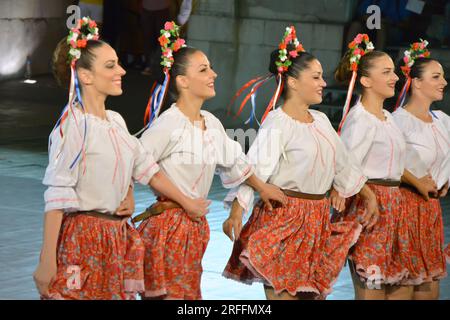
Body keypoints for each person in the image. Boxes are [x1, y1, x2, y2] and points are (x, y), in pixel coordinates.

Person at [32, 17, 208, 300]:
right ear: (86, 75)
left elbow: (147, 169)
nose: (122, 71)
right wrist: (47, 260)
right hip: (84, 237)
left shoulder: (115, 122)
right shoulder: (72, 126)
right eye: (111, 65)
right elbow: (57, 196)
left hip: (115, 238)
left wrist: (186, 203)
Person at [222, 26, 379, 300]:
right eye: (316, 77)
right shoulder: (278, 122)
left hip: (316, 221)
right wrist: (237, 211)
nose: (323, 83)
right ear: (293, 82)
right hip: (284, 218)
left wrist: (366, 194)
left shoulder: (320, 120)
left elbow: (343, 162)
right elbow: (255, 168)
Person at [135, 21, 287, 300]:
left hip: (195, 227)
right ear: (182, 81)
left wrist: (262, 189)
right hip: (167, 227)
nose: (213, 74)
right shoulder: (169, 123)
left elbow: (236, 161)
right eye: (203, 70)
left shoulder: (211, 124)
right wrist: (185, 201)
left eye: (210, 68)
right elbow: (138, 163)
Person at [334, 33, 437, 300]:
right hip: (372, 213)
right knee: (373, 288)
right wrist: (367, 195)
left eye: (394, 71)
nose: (395, 77)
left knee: (398, 286)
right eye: (387, 72)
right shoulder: (361, 119)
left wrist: (419, 182)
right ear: (366, 81)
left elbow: (397, 162)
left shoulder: (387, 118)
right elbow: (345, 164)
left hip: (396, 210)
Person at [392, 39, 449, 299]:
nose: (444, 82)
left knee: (428, 287)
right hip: (405, 208)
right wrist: (416, 181)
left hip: (430, 211)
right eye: (436, 77)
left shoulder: (443, 121)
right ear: (415, 82)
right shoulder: (398, 121)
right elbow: (389, 162)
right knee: (403, 284)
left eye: (443, 76)